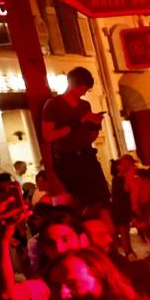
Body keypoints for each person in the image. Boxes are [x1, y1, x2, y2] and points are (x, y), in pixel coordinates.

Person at [40, 67, 110, 207]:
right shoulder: (53, 104)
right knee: (82, 199)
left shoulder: (85, 105)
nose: (83, 93)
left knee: (102, 197)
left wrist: (95, 125)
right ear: (72, 84)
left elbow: (89, 138)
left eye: (86, 90)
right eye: (82, 89)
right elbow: (48, 135)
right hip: (68, 160)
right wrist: (79, 122)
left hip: (87, 155)